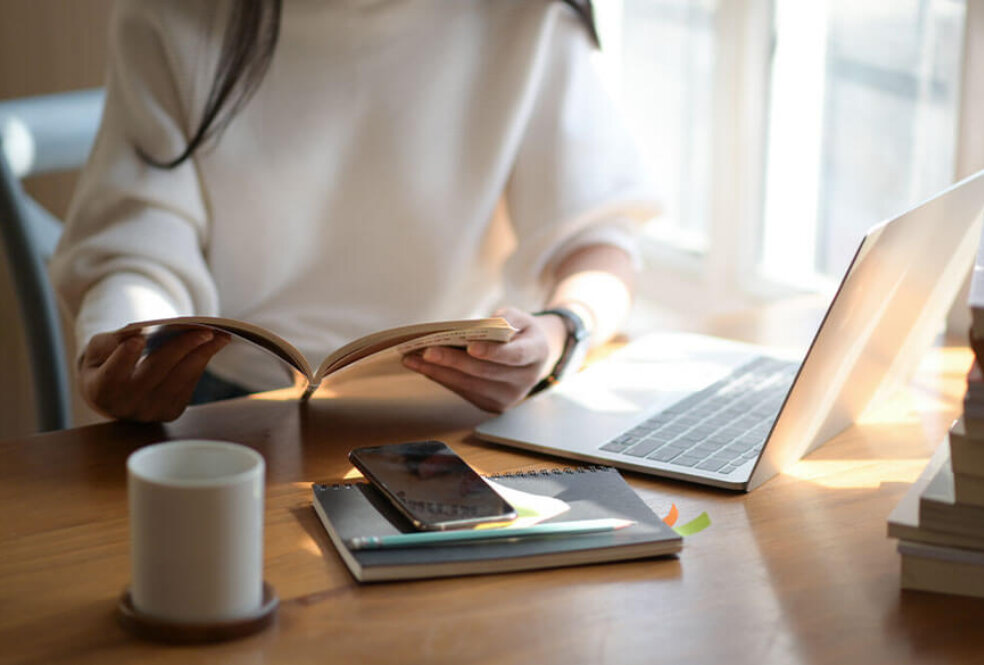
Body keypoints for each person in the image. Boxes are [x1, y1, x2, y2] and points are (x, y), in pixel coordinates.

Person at [50, 0, 660, 422]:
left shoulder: (528, 16)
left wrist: (558, 334)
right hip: (225, 405)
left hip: (460, 401)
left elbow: (597, 240)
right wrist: (131, 347)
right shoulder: (172, 15)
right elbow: (138, 250)